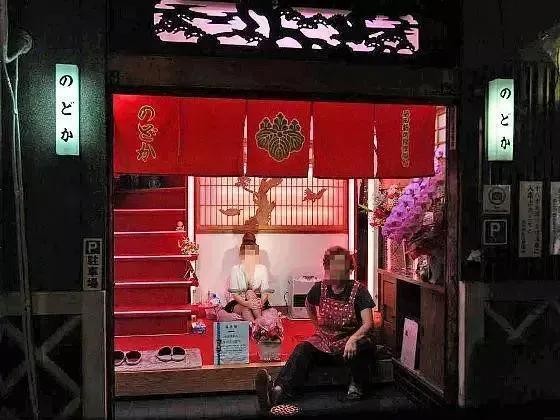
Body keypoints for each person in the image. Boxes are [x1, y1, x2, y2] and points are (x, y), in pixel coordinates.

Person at [255, 246, 376, 411]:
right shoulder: (320, 288)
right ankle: (278, 390)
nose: (334, 273)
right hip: (326, 342)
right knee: (302, 349)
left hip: (349, 343)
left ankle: (357, 385)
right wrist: (317, 326)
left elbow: (368, 323)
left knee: (364, 346)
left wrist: (354, 338)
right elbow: (309, 304)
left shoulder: (359, 291)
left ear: (348, 270)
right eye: (331, 268)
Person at [223, 232, 272, 321]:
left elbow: (265, 291)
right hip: (239, 302)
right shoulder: (235, 269)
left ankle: (257, 323)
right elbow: (235, 294)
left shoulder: (262, 268)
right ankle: (258, 324)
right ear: (242, 255)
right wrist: (247, 303)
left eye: (252, 254)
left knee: (250, 293)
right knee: (246, 309)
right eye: (246, 254)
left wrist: (261, 302)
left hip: (257, 301)